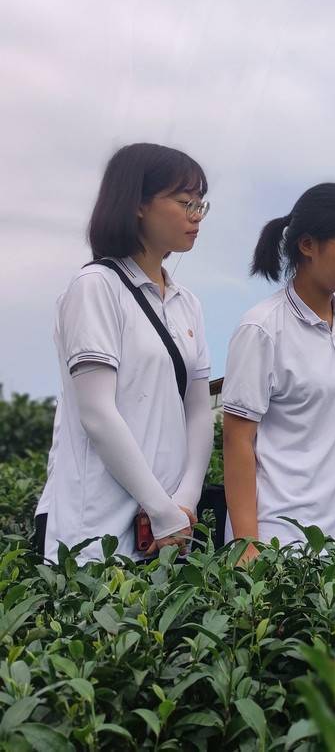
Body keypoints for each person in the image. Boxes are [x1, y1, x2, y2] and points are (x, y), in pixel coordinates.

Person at [38, 143, 213, 563]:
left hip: (167, 531)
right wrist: (161, 508)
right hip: (94, 534)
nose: (196, 215)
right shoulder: (96, 287)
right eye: (184, 201)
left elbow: (199, 410)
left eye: (201, 204)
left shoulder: (186, 302)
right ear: (137, 204)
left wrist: (183, 504)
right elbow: (97, 413)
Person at [221, 183, 335, 562]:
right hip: (281, 541)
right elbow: (237, 440)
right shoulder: (262, 329)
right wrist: (247, 543)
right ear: (307, 244)